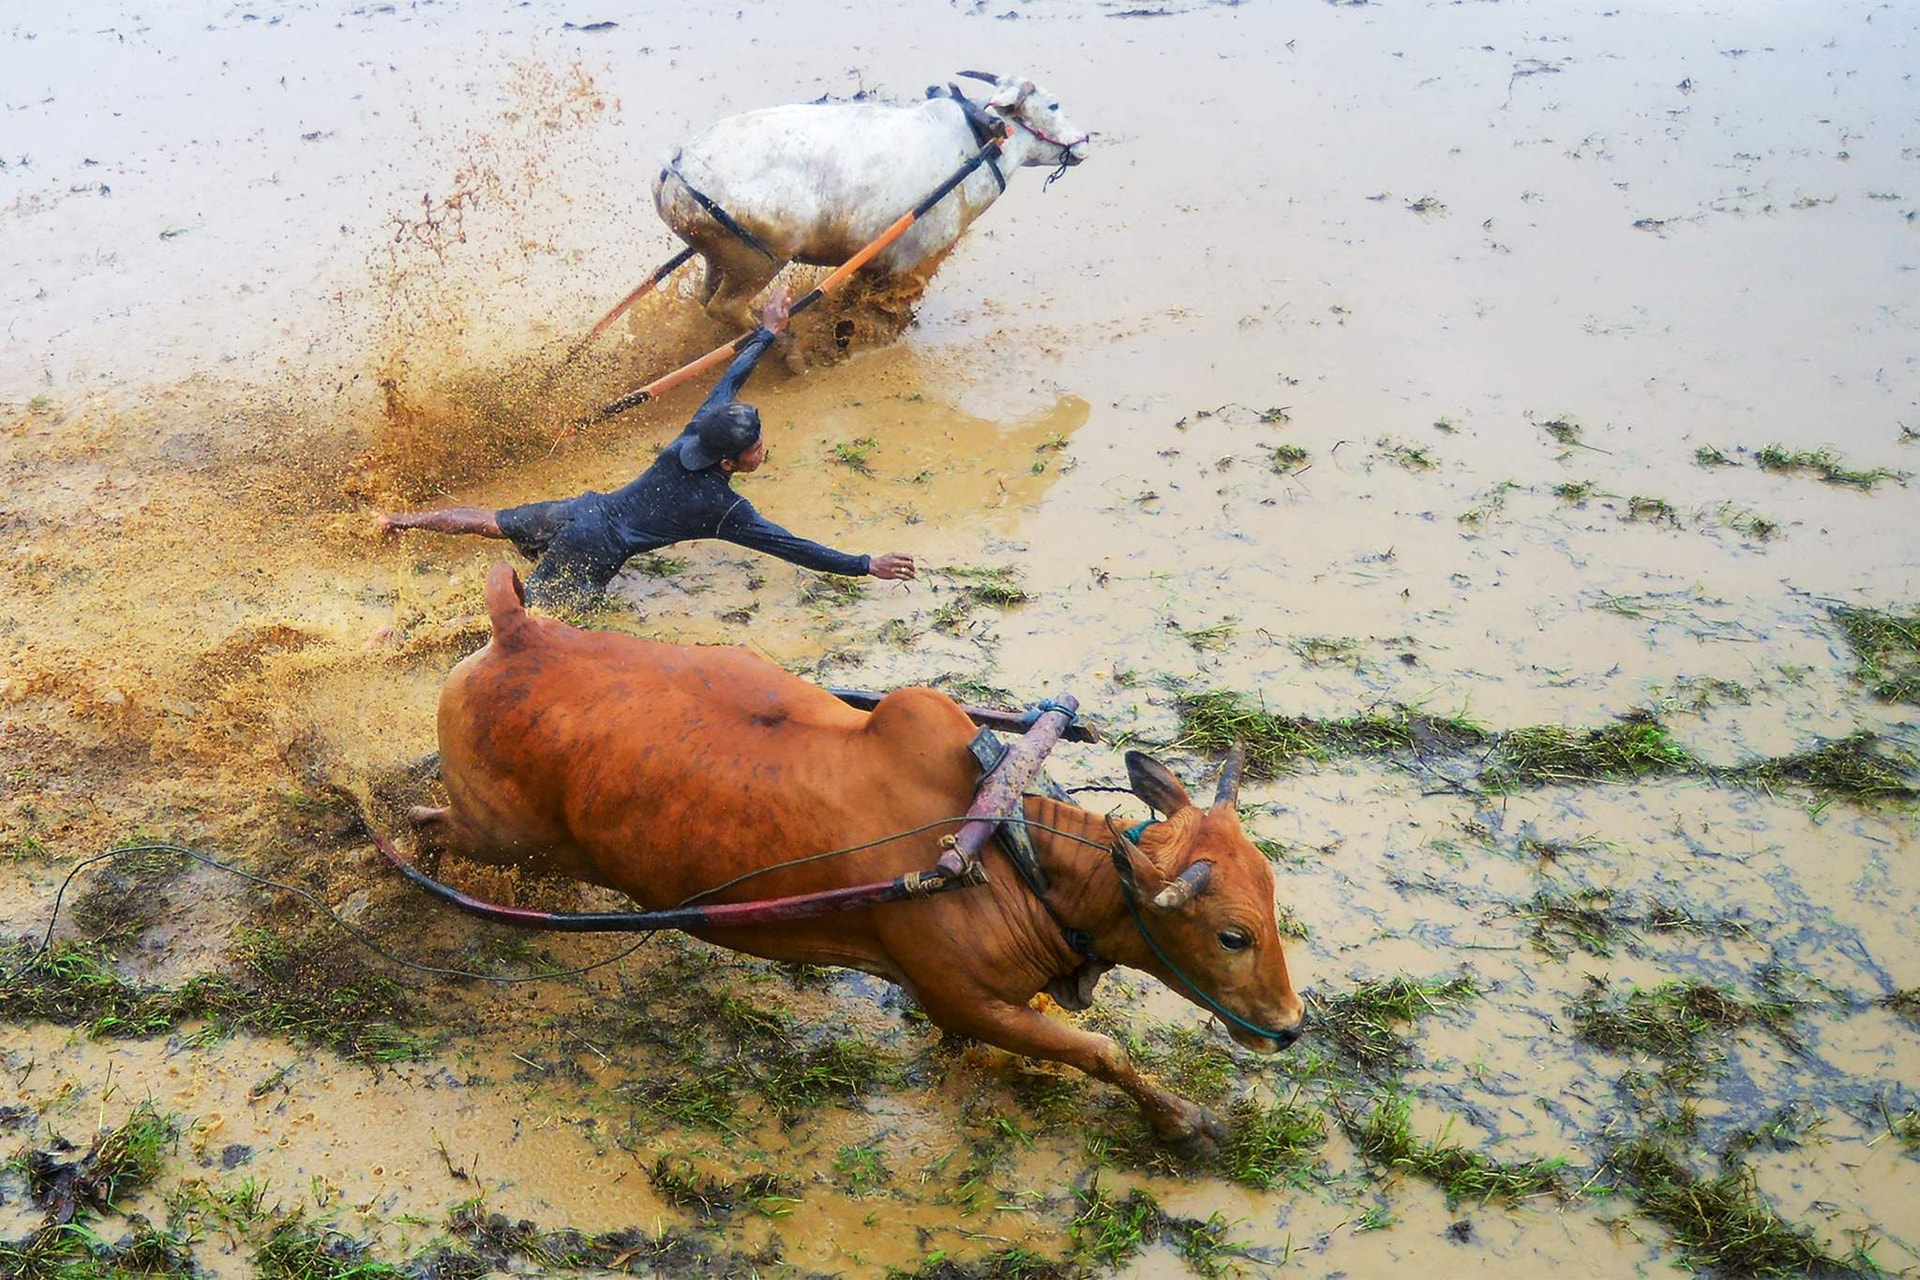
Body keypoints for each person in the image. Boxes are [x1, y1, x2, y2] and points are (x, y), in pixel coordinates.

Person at [375, 286, 916, 608]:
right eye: (756, 448)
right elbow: (789, 546)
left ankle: (397, 521)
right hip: (594, 549)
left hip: (582, 509)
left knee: (488, 521)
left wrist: (769, 331)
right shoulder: (724, 508)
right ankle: (411, 635)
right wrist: (864, 564)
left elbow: (732, 379)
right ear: (728, 463)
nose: (763, 451)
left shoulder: (699, 430)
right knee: (529, 620)